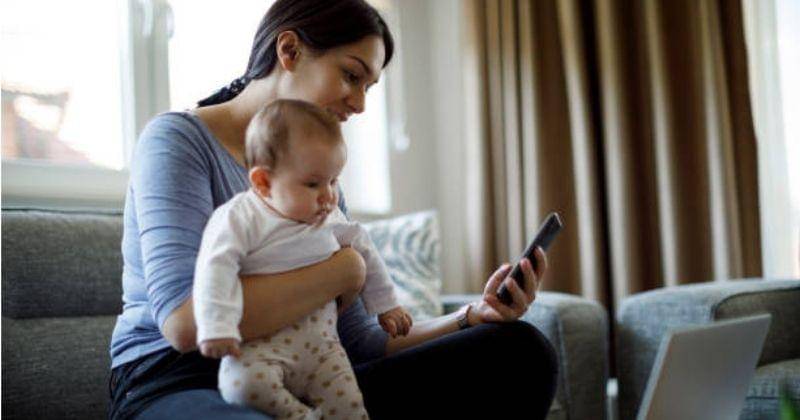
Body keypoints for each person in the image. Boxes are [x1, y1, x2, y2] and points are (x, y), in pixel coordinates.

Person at [108, 1, 558, 419]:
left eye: (368, 87)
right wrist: (342, 271)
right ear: (289, 50)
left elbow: (360, 343)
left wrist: (470, 317)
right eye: (351, 76)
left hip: (306, 369)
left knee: (519, 351)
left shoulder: (317, 182)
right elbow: (185, 324)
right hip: (183, 376)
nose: (360, 103)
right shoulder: (178, 142)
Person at [193, 99, 412, 419]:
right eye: (313, 184)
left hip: (323, 348)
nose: (328, 196)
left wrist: (386, 304)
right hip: (260, 349)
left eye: (334, 181)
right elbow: (214, 268)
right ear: (263, 182)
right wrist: (217, 325)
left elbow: (363, 246)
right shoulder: (240, 217)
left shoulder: (329, 215)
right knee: (239, 386)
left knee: (351, 406)